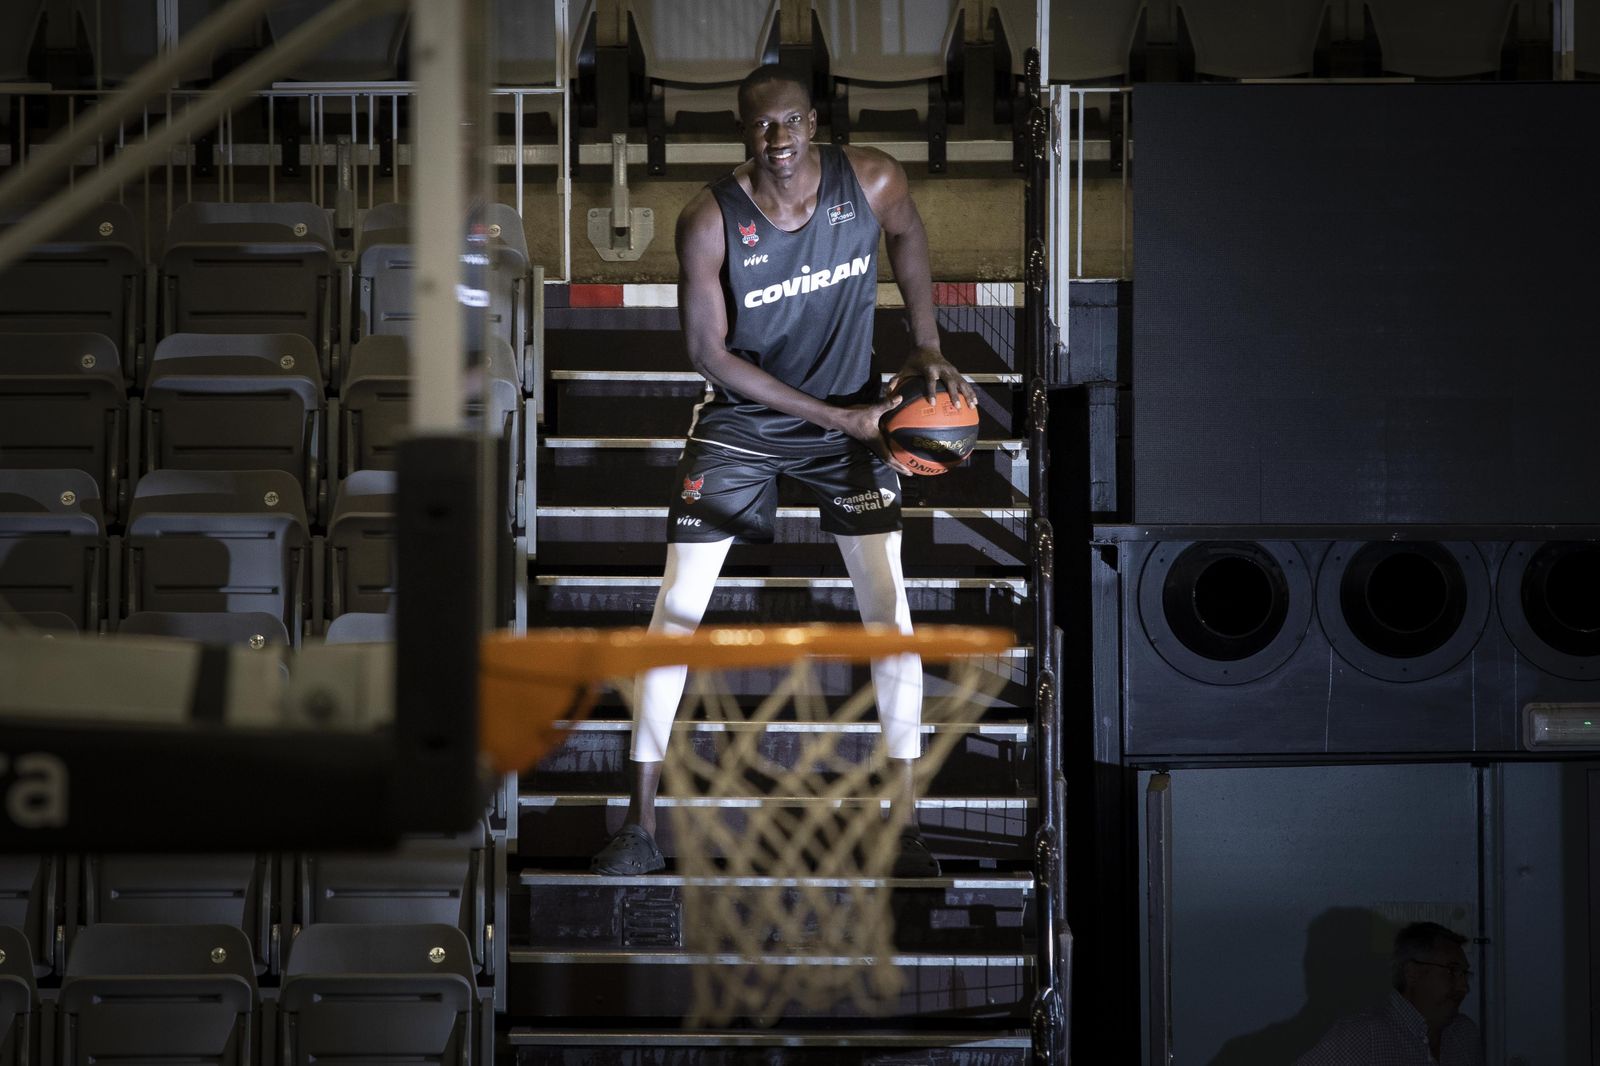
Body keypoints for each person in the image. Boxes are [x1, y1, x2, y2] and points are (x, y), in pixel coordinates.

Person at [590, 64, 976, 879]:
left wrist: (928, 341)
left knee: (890, 613)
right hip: (748, 424)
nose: (780, 140)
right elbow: (708, 354)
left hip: (851, 422)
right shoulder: (709, 220)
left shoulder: (869, 179)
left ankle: (901, 828)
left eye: (793, 123)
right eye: (764, 127)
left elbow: (907, 233)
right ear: (744, 131)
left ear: (815, 122)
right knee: (675, 611)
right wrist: (841, 419)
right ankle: (637, 826)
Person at [1295, 921, 1483, 1065]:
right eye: (1452, 971)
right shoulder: (1362, 1035)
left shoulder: (1463, 1034)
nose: (1464, 987)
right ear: (1412, 972)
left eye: (1464, 974)